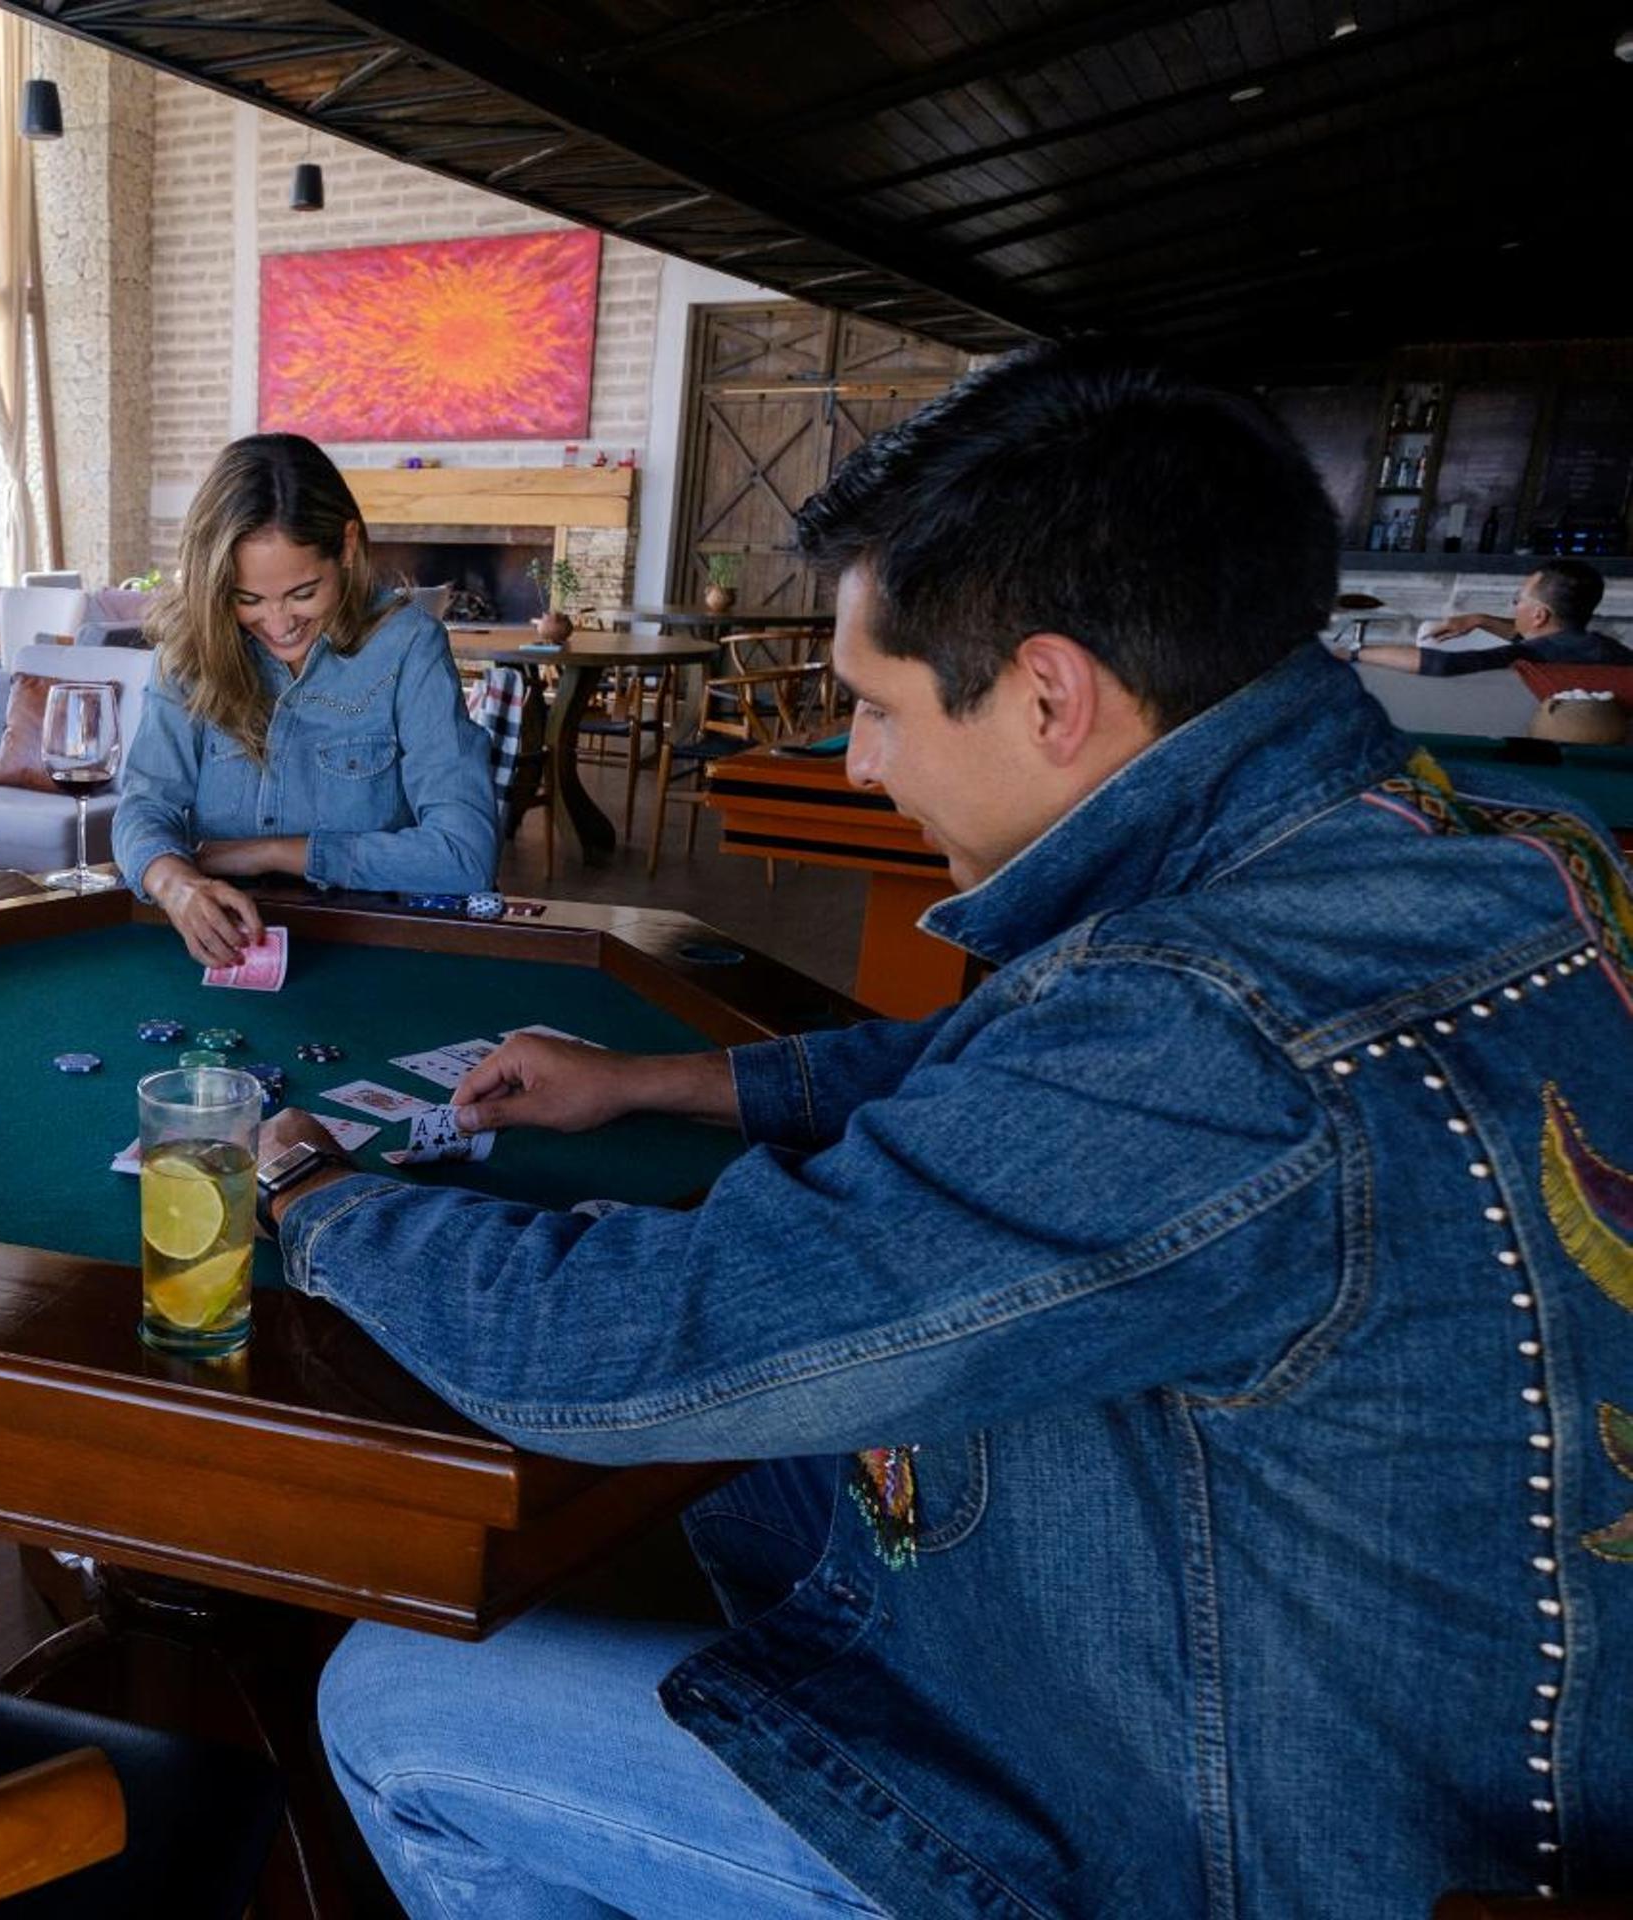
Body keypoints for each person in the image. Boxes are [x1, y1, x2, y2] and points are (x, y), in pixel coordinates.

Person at [253, 351, 1633, 1915]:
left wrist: (320, 1197)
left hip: (1242, 1846)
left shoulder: (1204, 1029)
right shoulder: (1512, 848)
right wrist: (664, 1085)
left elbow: (614, 1349)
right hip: (1411, 1707)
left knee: (398, 1704)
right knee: (748, 1475)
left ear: (1050, 694)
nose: (858, 760)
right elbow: (1027, 1068)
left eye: (876, 706)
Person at [113, 433, 497, 966]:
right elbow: (143, 806)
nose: (278, 624)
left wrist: (270, 852)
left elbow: (464, 855)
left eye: (302, 594)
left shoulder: (409, 646)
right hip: (214, 956)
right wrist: (175, 884)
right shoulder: (189, 649)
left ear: (347, 546)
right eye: (248, 599)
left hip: (368, 956)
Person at [1342, 556, 1627, 674]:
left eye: (1518, 600)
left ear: (1539, 615)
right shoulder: (1614, 652)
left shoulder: (1528, 656)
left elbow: (1443, 664)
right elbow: (1544, 636)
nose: (1515, 606)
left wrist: (1354, 652)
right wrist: (1482, 620)